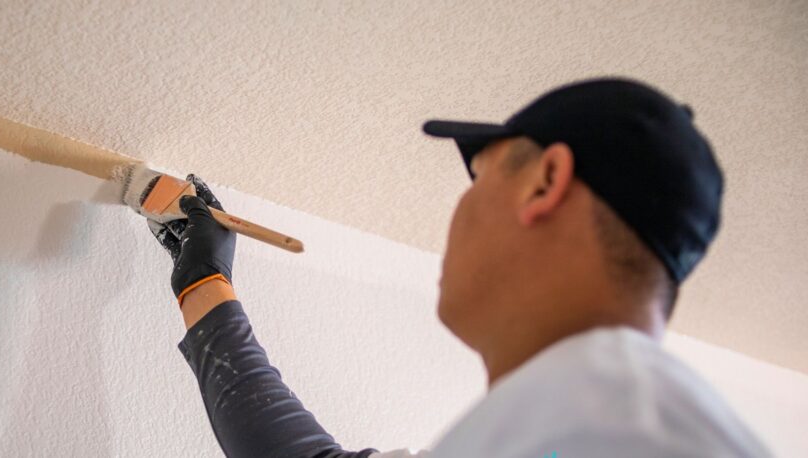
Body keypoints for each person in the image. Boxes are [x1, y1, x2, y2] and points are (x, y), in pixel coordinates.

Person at [145, 78, 770, 457]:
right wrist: (205, 284)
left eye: (481, 177)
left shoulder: (606, 434)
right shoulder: (566, 427)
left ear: (545, 183)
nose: (461, 209)